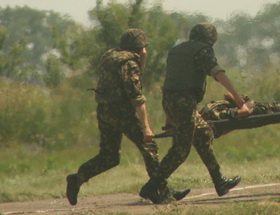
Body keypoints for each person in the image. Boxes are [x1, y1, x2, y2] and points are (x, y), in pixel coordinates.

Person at [65, 29, 188, 206]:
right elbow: (137, 97)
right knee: (149, 147)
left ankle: (77, 179)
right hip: (121, 113)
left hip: (104, 111)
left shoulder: (111, 56)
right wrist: (146, 127)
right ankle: (158, 189)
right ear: (141, 48)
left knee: (109, 156)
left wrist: (141, 60)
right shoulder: (130, 64)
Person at [140, 23, 250, 204]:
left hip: (170, 102)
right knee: (180, 150)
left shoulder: (176, 51)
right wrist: (240, 103)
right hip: (184, 104)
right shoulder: (203, 51)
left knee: (203, 133)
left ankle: (219, 181)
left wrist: (169, 119)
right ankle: (151, 187)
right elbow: (219, 74)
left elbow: (171, 82)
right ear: (210, 38)